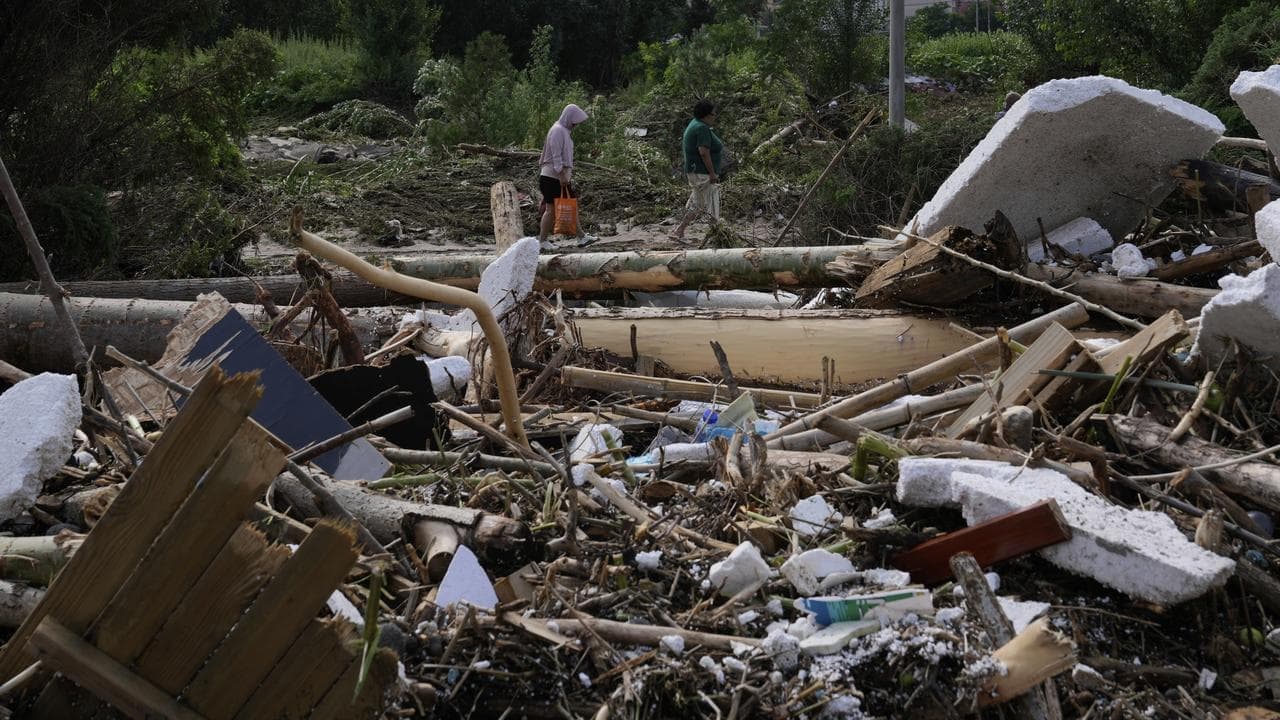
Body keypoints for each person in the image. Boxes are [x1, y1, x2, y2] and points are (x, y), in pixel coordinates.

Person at [538, 103, 593, 244]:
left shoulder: (563, 131)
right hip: (553, 177)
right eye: (574, 122)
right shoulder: (557, 130)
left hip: (557, 177)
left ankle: (581, 236)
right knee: (550, 210)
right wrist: (562, 175)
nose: (575, 125)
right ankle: (542, 241)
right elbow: (556, 156)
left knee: (570, 204)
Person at [672, 99, 724, 240]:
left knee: (697, 203)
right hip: (702, 173)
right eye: (713, 114)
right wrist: (712, 173)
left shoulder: (695, 123)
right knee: (712, 201)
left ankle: (679, 230)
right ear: (706, 115)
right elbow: (703, 152)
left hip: (694, 171)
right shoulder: (701, 128)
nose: (714, 117)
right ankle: (716, 234)